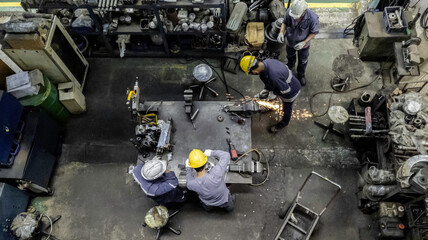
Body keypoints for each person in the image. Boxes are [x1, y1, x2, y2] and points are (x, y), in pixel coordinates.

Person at [240, 56, 300, 133]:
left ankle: (284, 123)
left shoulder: (274, 76)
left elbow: (286, 91)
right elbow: (269, 82)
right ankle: (271, 107)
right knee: (270, 98)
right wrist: (266, 90)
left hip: (291, 91)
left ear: (254, 71)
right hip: (280, 85)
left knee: (286, 109)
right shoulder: (266, 62)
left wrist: (273, 93)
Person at [276, 0, 319, 86]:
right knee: (290, 56)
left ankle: (301, 74)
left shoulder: (313, 18)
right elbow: (284, 23)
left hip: (303, 46)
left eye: (297, 16)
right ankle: (290, 66)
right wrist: (281, 32)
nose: (295, 18)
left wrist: (304, 42)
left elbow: (313, 33)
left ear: (304, 11)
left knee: (303, 60)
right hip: (290, 42)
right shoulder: (290, 12)